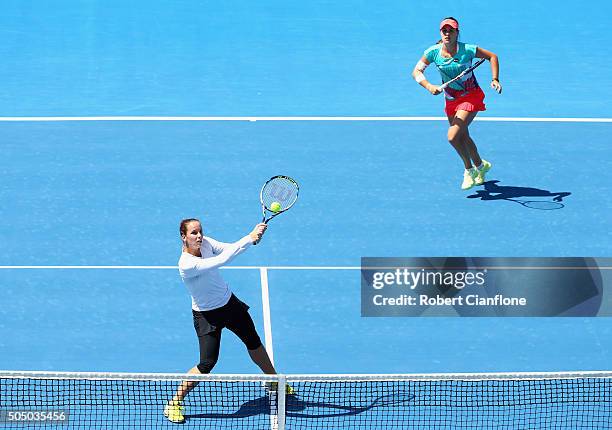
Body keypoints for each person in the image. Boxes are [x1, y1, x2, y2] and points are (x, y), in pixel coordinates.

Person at [164, 218, 289, 424]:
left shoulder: (206, 243)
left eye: (200, 231)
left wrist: (252, 239)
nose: (199, 236)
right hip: (206, 315)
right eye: (193, 233)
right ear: (183, 237)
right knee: (207, 363)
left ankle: (273, 381)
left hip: (229, 304)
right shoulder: (186, 264)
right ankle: (174, 402)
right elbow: (221, 260)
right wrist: (249, 238)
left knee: (253, 341)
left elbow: (229, 249)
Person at [412, 17, 502, 190]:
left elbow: (492, 56)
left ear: (457, 33)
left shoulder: (468, 50)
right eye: (444, 30)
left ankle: (469, 170)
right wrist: (429, 86)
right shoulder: (433, 52)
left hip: (471, 96)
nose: (447, 33)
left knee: (452, 136)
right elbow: (416, 71)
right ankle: (482, 167)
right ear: (440, 33)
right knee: (463, 136)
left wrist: (495, 79)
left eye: (450, 30)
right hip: (451, 99)